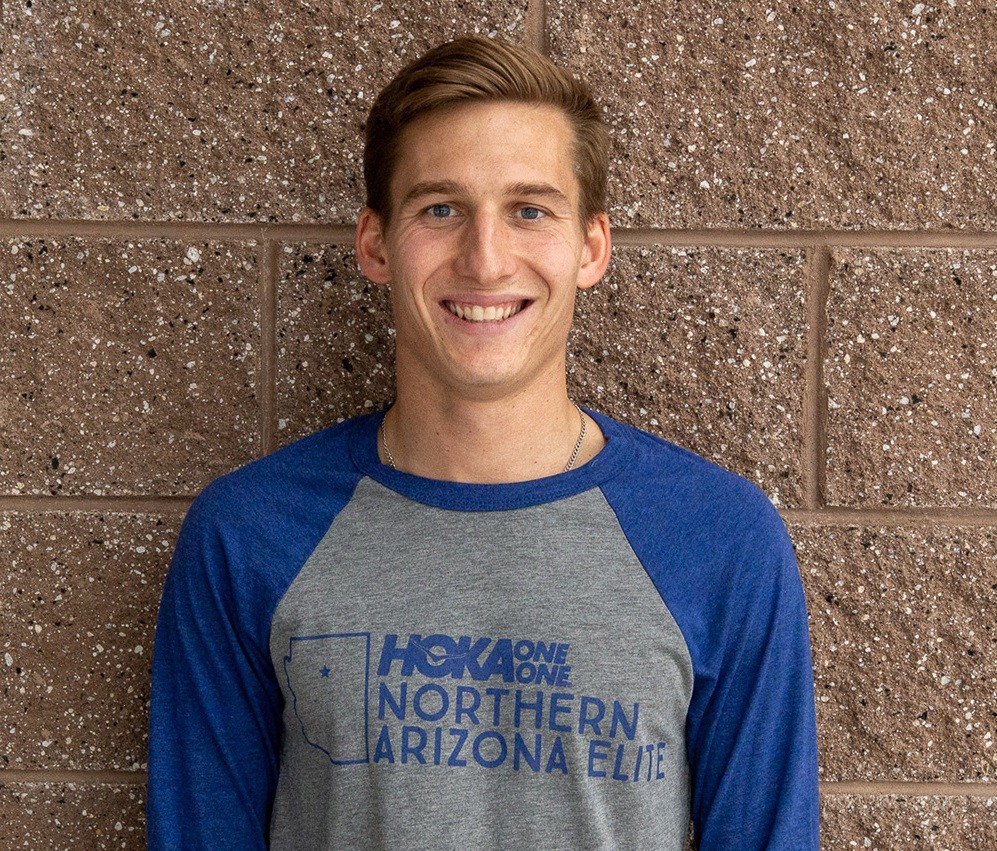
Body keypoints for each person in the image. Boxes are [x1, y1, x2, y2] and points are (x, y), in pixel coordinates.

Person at [148, 36, 819, 850]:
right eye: (440, 209)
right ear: (375, 243)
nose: (485, 259)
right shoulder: (248, 532)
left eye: (529, 210)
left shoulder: (719, 538)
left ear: (591, 248)